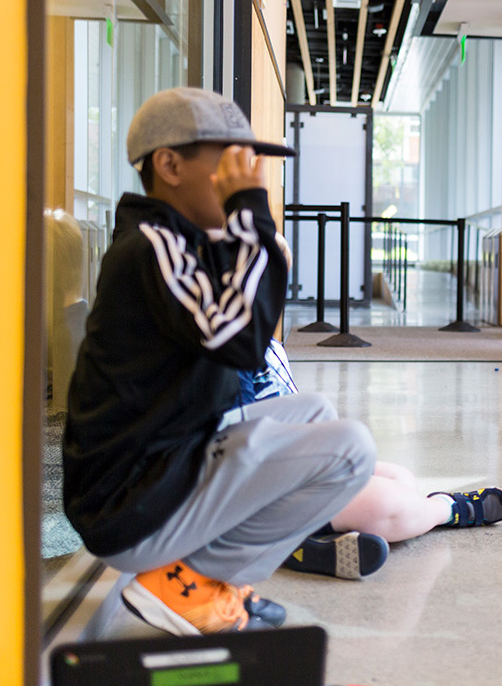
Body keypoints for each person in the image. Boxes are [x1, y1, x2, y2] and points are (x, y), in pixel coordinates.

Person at [63, 87, 378, 636]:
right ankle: (185, 586)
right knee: (352, 451)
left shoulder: (185, 244)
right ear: (169, 165)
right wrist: (251, 220)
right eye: (231, 162)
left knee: (314, 411)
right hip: (131, 504)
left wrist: (248, 235)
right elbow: (235, 339)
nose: (248, 178)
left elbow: (246, 339)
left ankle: (201, 581)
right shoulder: (152, 247)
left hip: (168, 463)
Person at [233, 343, 502, 580]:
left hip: (297, 463)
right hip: (263, 487)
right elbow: (242, 445)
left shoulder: (258, 338)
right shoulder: (225, 351)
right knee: (387, 506)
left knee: (401, 479)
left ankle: (300, 542)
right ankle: (449, 508)